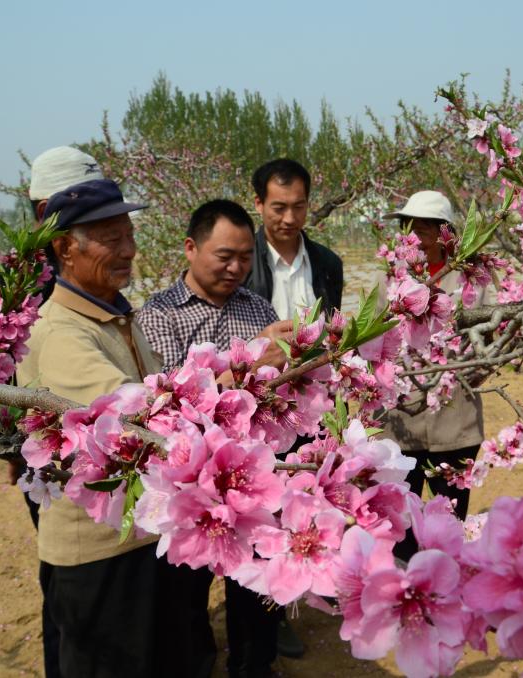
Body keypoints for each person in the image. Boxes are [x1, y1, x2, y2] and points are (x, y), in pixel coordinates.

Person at [16, 178, 197, 678]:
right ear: (64, 248)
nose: (129, 250)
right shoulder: (59, 332)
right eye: (112, 238)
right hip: (98, 554)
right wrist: (229, 385)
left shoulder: (112, 313)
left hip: (137, 536)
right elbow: (136, 418)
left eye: (129, 235)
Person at [137, 199, 294, 678]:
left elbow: (279, 388)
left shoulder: (258, 308)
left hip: (247, 481)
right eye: (224, 256)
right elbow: (167, 404)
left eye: (245, 257)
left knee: (252, 590)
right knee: (184, 596)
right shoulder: (159, 315)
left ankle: (255, 666)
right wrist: (250, 363)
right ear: (191, 248)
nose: (236, 268)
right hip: (187, 485)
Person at [0, 146, 104, 678]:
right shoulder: (12, 285)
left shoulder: (90, 269)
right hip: (51, 454)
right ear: (41, 213)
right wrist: (14, 446)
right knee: (65, 575)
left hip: (100, 445)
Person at [379, 191, 490, 562]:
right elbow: (375, 337)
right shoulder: (390, 277)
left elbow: (491, 340)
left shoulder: (472, 280)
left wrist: (460, 377)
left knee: (449, 522)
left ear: (447, 234)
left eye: (426, 228)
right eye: (409, 227)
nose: (416, 236)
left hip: (454, 421)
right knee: (401, 525)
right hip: (401, 422)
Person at [0, 146, 104, 303]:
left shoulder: (81, 266)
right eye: (88, 211)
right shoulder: (17, 285)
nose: (103, 221)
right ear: (45, 212)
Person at [245, 158, 344, 319]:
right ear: (259, 204)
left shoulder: (329, 264)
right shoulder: (241, 264)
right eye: (279, 208)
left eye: (298, 207)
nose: (290, 219)